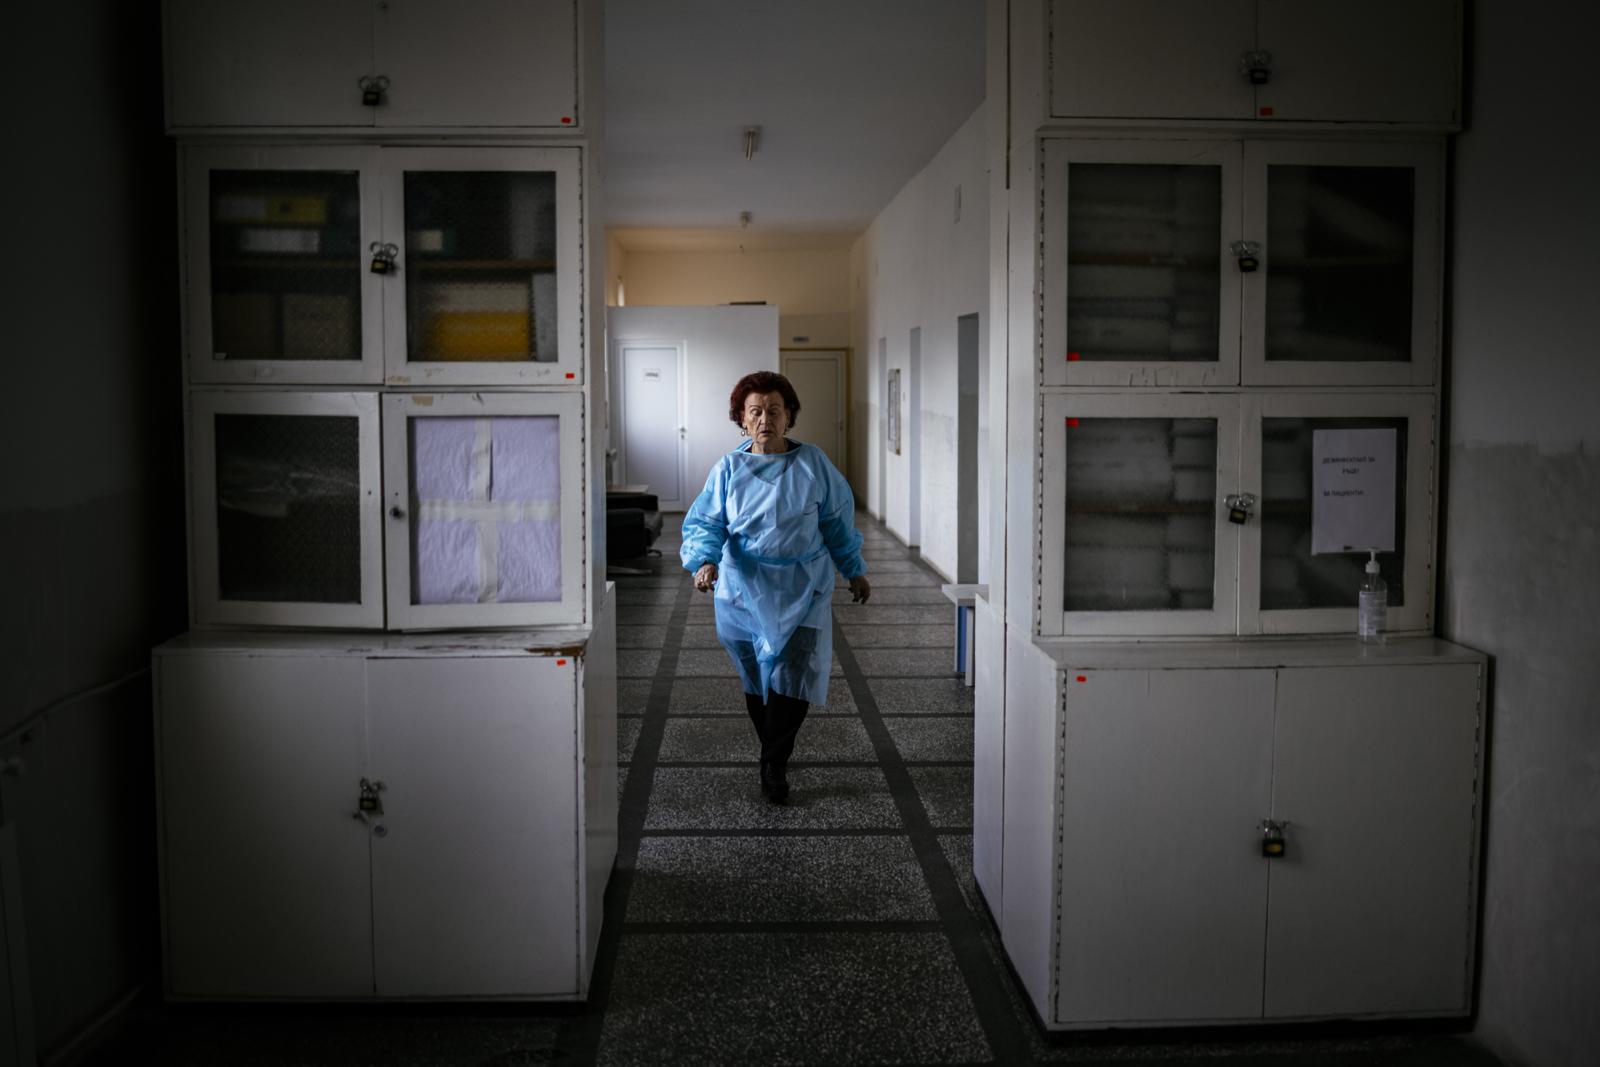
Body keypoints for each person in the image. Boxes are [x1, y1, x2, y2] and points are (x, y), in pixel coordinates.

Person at [681, 371, 870, 803]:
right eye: (755, 412)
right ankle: (774, 747)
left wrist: (854, 569)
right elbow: (708, 522)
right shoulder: (728, 468)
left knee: (793, 674)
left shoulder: (814, 465)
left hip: (804, 587)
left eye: (774, 410)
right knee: (756, 677)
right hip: (744, 588)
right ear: (742, 421)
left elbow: (837, 523)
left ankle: (774, 762)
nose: (765, 418)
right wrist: (704, 561)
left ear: (789, 418)